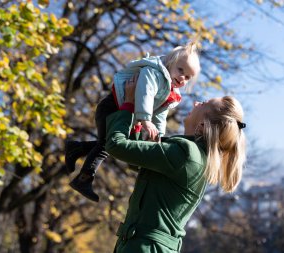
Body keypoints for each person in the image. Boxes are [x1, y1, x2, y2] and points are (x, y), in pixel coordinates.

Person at [105, 81, 247, 252]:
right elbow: (135, 160)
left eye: (202, 104)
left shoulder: (185, 154)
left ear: (203, 125)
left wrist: (128, 103)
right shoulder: (195, 156)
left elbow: (116, 145)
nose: (195, 103)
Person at [65, 41, 201, 202]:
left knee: (117, 144)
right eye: (180, 70)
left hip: (126, 113)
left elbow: (161, 114)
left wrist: (158, 134)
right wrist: (144, 118)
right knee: (106, 145)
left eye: (187, 77)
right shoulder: (154, 73)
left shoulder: (169, 90)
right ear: (170, 63)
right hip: (112, 108)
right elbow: (145, 93)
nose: (182, 78)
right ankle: (83, 180)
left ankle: (77, 148)